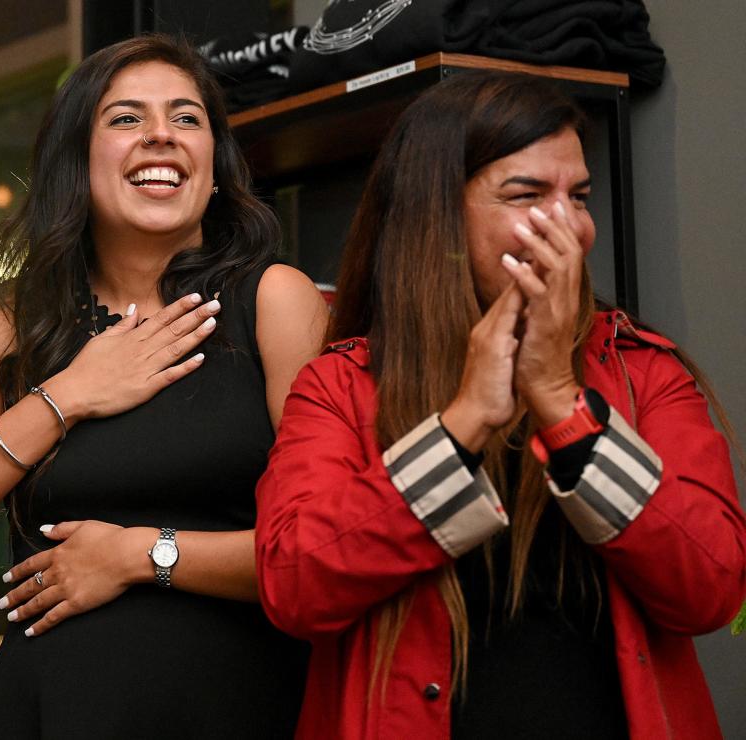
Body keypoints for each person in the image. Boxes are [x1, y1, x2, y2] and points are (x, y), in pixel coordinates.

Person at [255, 71, 745, 740]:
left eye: (579, 196)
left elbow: (712, 586)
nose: (568, 227)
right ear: (440, 216)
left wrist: (564, 409)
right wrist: (462, 424)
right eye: (527, 195)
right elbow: (294, 588)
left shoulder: (641, 370)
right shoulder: (342, 385)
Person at [0, 34, 327, 738]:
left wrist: (141, 555)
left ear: (213, 168)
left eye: (185, 118)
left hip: (231, 706)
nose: (159, 138)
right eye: (125, 119)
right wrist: (66, 397)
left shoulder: (274, 301)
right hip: (48, 711)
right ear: (78, 164)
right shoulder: (19, 320)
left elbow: (324, 552)